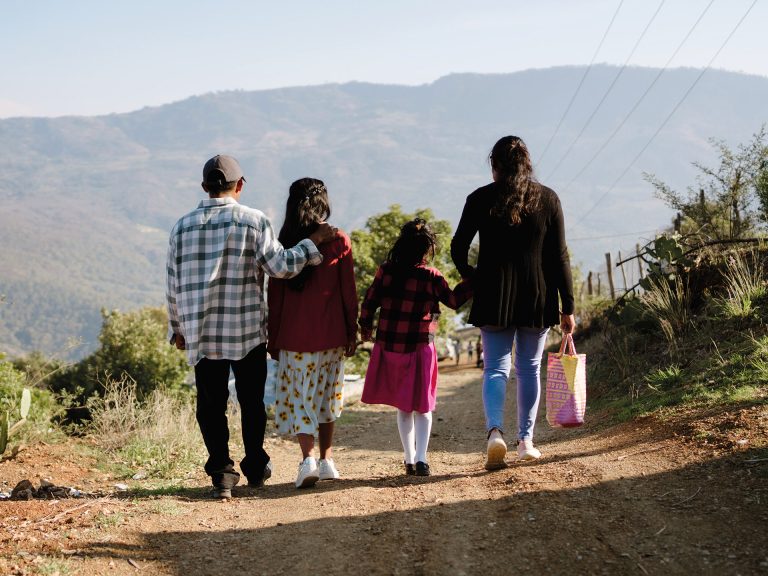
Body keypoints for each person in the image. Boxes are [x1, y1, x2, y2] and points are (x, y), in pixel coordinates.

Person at [166, 155, 335, 499]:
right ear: (240, 185)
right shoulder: (254, 221)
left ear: (204, 187)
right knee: (252, 402)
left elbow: (173, 283)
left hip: (202, 331)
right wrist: (312, 244)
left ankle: (222, 474)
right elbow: (281, 266)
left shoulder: (181, 227)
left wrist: (178, 328)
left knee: (210, 406)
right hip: (246, 331)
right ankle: (255, 466)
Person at [450, 136, 575, 470]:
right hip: (538, 295)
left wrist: (471, 276)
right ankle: (526, 441)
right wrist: (569, 307)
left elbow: (458, 246)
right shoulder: (548, 199)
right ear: (526, 165)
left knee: (495, 367)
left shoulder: (479, 199)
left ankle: (495, 433)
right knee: (529, 368)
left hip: (493, 294)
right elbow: (559, 256)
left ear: (495, 167)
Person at [360, 219, 472, 476]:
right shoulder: (431, 276)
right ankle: (421, 459)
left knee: (404, 406)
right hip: (421, 347)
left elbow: (369, 302)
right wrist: (472, 279)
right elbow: (454, 301)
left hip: (390, 346)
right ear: (427, 248)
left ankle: (409, 459)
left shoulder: (386, 271)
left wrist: (365, 328)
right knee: (424, 406)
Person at [267, 178, 358, 489]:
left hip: (294, 339)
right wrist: (351, 330)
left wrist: (273, 337)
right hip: (331, 336)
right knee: (327, 397)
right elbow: (349, 292)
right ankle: (327, 459)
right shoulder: (339, 240)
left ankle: (307, 460)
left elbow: (274, 297)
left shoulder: (282, 243)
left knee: (301, 400)